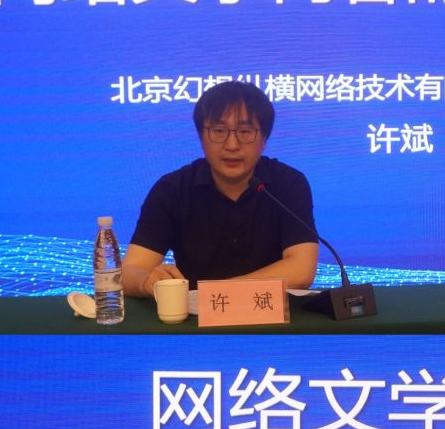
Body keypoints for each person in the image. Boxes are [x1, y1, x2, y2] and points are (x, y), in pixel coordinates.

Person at [122, 80, 319, 294]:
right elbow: (130, 271)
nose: (231, 145)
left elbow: (301, 270)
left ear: (264, 139)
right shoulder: (172, 189)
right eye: (218, 131)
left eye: (245, 131)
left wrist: (216, 294)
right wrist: (147, 282)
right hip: (194, 315)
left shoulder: (288, 184)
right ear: (201, 137)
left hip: (269, 313)